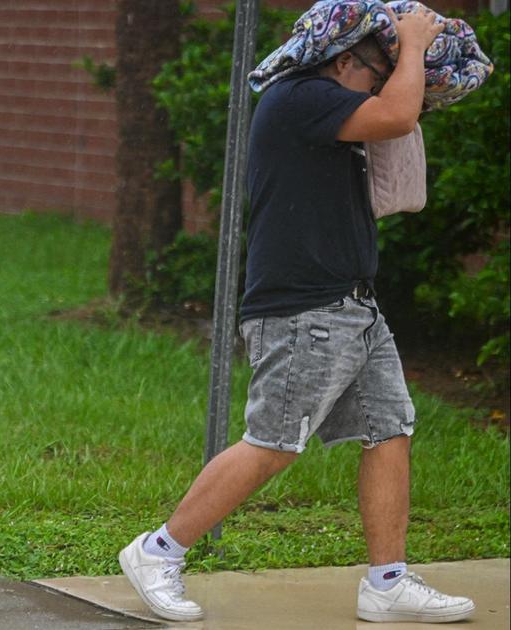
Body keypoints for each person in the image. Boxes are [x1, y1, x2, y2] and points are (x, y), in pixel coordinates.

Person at [117, 6, 476, 624]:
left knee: (390, 429)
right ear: (343, 61)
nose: (381, 85)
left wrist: (413, 61)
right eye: (375, 73)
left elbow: (395, 116)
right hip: (302, 309)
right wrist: (413, 43)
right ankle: (158, 551)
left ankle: (386, 582)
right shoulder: (300, 98)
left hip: (352, 304)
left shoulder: (329, 104)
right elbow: (397, 114)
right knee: (275, 443)